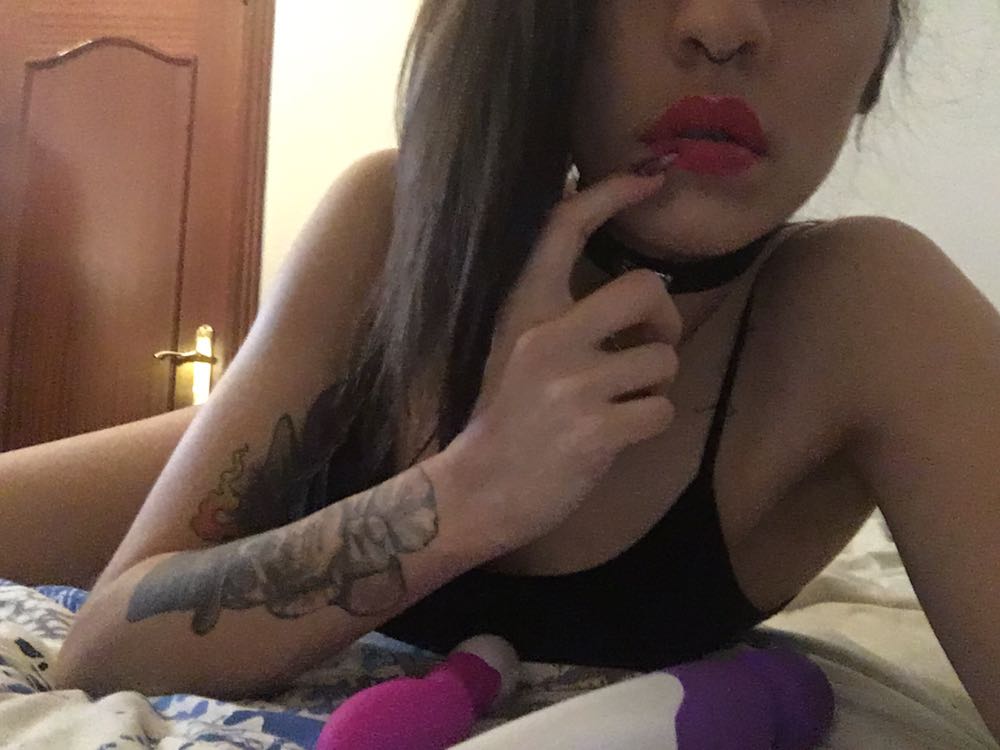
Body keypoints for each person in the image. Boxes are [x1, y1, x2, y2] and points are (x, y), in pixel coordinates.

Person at [6, 0, 995, 739]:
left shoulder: (873, 309)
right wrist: (473, 488)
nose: (722, 24)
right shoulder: (391, 225)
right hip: (318, 446)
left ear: (877, 58)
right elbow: (105, 650)